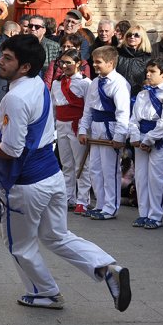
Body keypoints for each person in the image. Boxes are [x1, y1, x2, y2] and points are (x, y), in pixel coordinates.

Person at [0, 35, 131, 313]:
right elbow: (11, 123)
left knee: (19, 244)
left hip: (26, 184)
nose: (0, 60)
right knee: (56, 235)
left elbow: (11, 149)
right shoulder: (37, 85)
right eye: (2, 54)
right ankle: (107, 267)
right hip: (51, 176)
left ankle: (44, 292)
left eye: (8, 57)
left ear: (24, 67)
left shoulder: (15, 97)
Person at [78, 46, 131, 220]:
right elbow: (88, 109)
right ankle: (100, 204)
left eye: (98, 62)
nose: (94, 65)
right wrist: (83, 130)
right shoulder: (94, 82)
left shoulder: (120, 83)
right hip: (96, 128)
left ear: (110, 62)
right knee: (95, 169)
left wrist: (119, 137)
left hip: (111, 128)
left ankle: (111, 207)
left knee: (110, 170)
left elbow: (123, 112)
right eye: (94, 62)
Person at [129, 59, 163, 229]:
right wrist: (135, 136)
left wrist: (149, 139)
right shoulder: (143, 94)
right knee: (141, 177)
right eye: (147, 71)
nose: (148, 74)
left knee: (156, 178)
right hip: (142, 138)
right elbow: (134, 118)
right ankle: (143, 213)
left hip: (159, 140)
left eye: (153, 71)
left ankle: (156, 215)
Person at [50, 49, 93, 214]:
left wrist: (84, 129)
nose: (65, 66)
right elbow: (54, 106)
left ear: (78, 64)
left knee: (81, 165)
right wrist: (52, 127)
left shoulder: (85, 83)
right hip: (61, 124)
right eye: (62, 62)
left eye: (69, 62)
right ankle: (69, 197)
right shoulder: (56, 83)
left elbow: (88, 107)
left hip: (78, 124)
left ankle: (83, 200)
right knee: (66, 164)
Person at [117, 25, 153, 95]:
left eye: (136, 35)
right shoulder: (118, 54)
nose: (132, 37)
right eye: (129, 35)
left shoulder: (148, 58)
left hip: (139, 96)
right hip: (119, 94)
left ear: (142, 38)